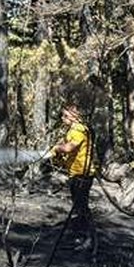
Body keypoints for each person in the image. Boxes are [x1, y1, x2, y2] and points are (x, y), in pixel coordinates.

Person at [50, 103, 96, 246]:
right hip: (76, 173)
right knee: (79, 206)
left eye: (66, 116)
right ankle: (82, 235)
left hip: (82, 174)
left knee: (82, 207)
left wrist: (57, 148)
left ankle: (89, 238)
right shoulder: (74, 130)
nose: (63, 118)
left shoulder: (79, 130)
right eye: (63, 115)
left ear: (75, 117)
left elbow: (69, 148)